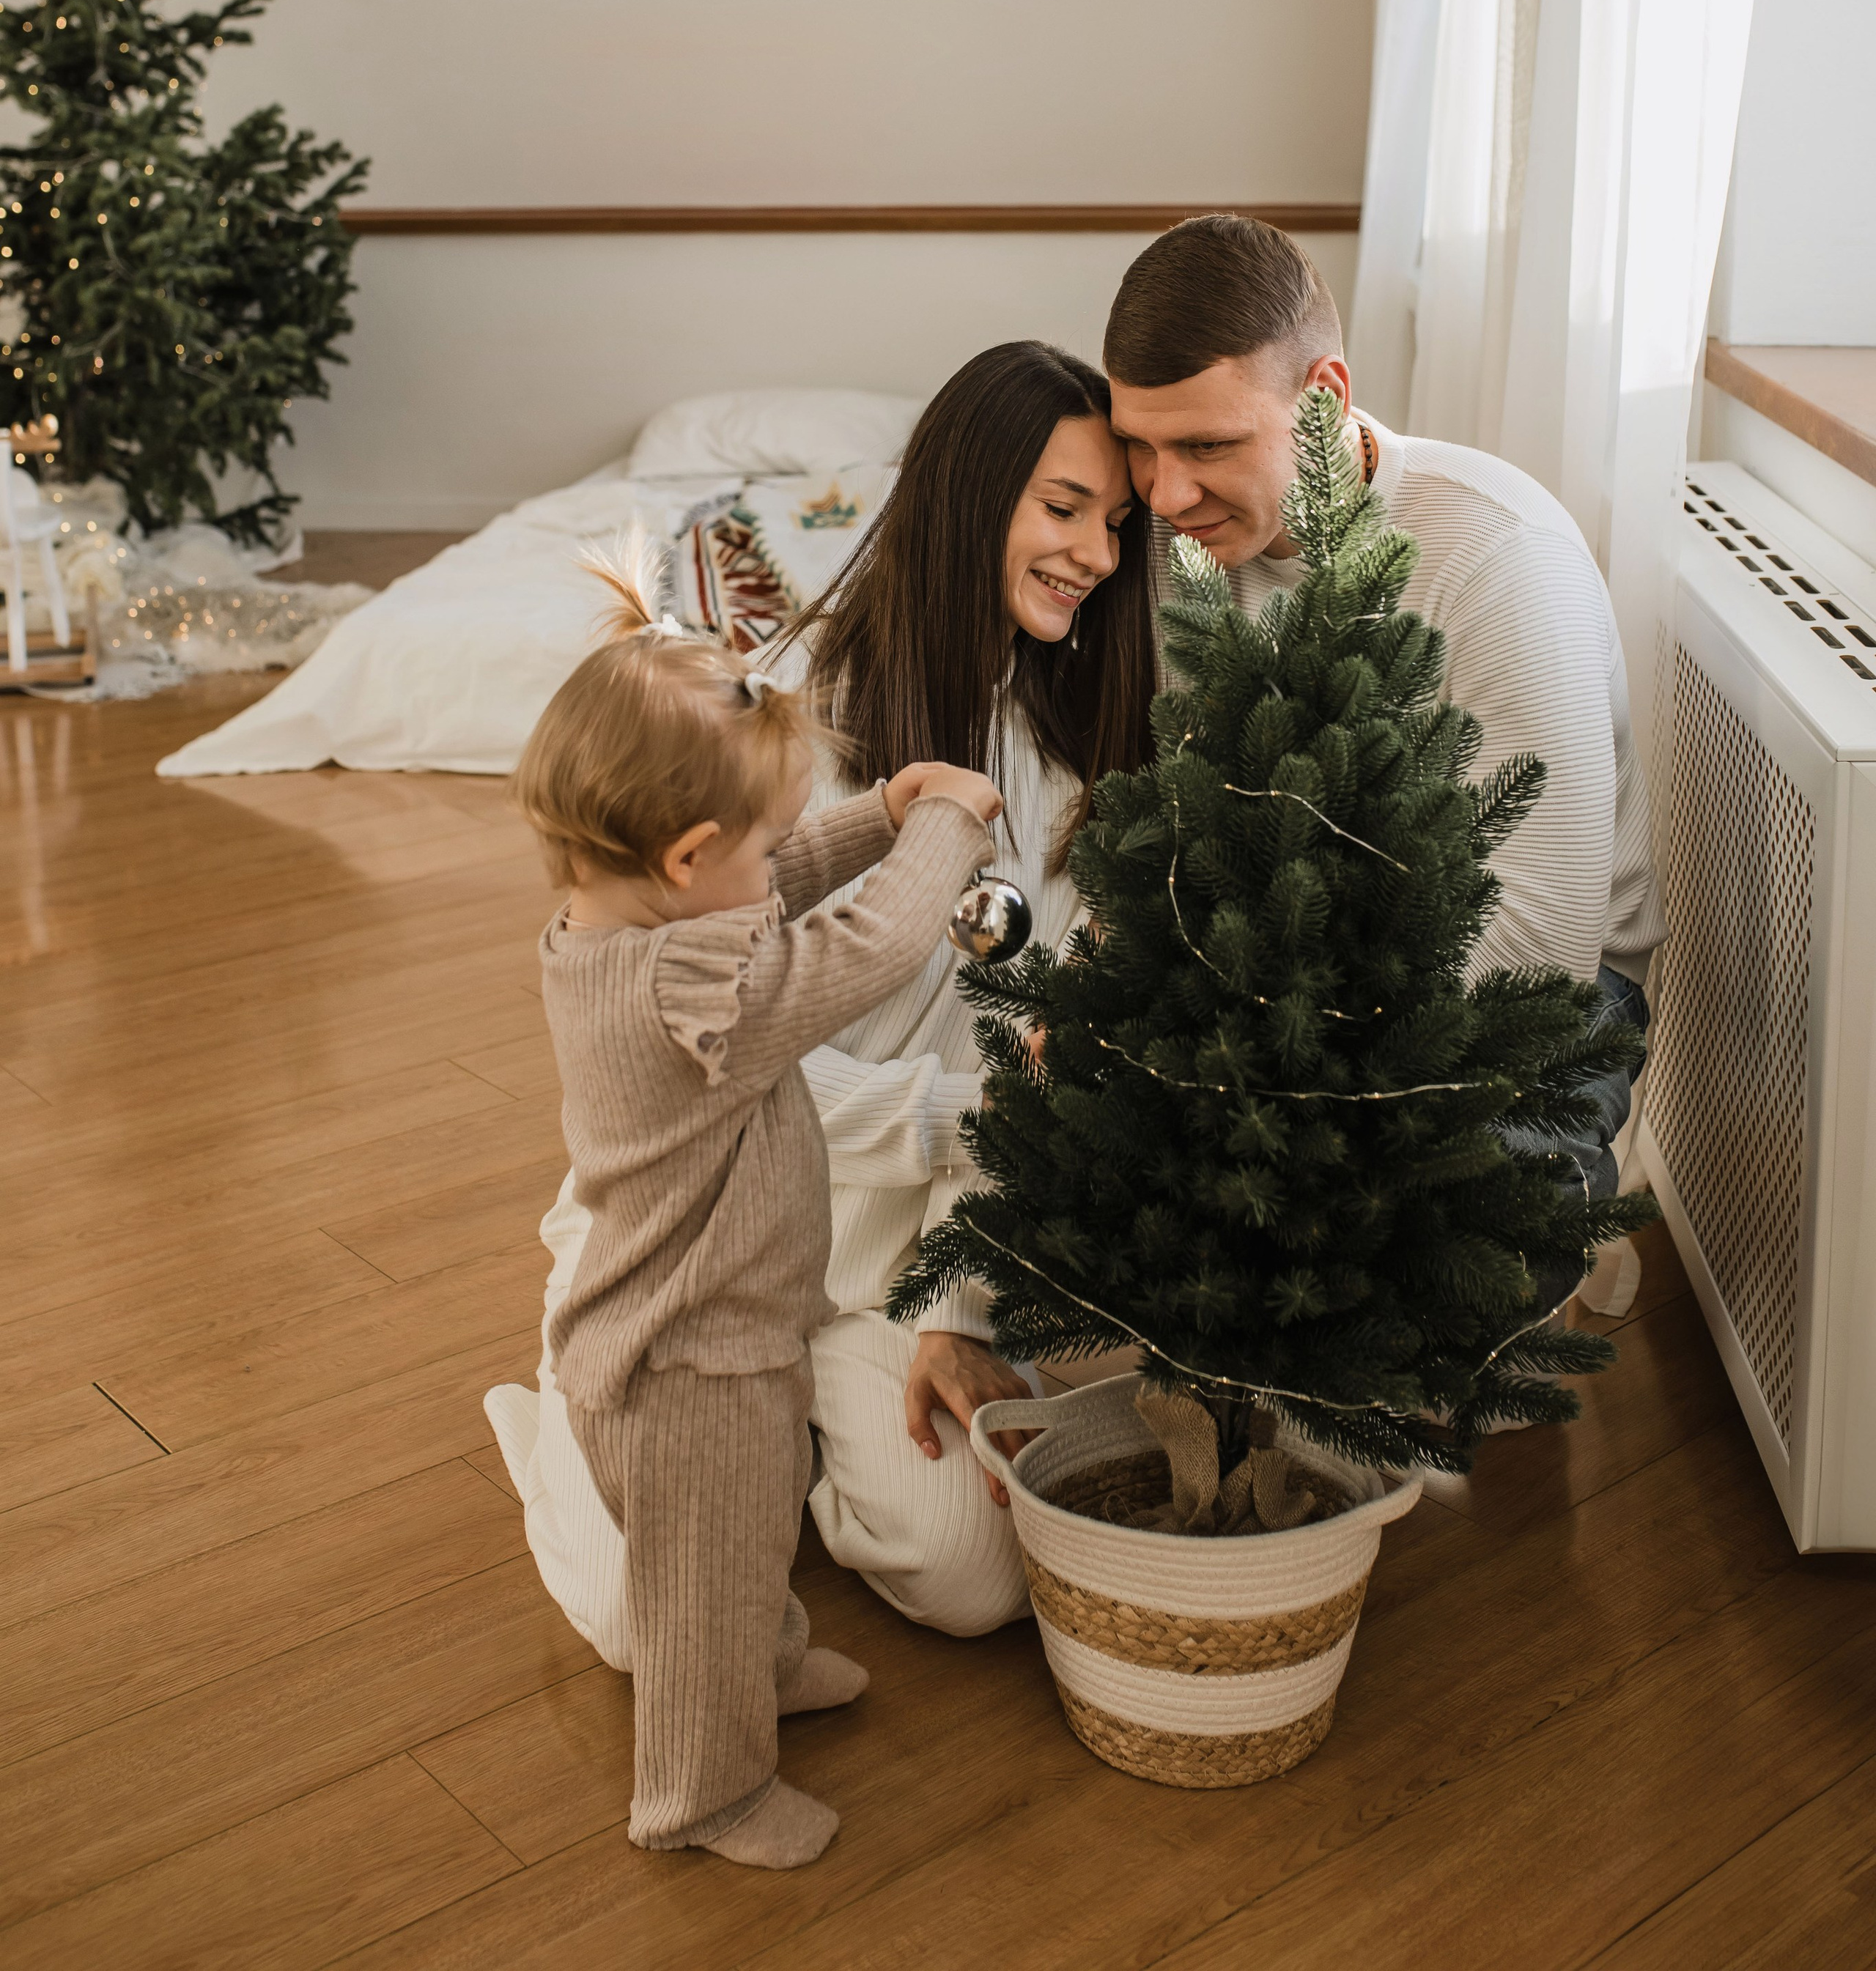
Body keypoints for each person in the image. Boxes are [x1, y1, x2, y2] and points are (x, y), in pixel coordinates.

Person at [486, 341, 1155, 1650]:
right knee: (641, 1630)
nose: (1096, 554)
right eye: (1064, 508)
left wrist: (951, 1311)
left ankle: (790, 1435)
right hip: (692, 1259)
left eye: (1115, 525)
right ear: (969, 498)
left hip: (874, 1269)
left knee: (970, 1581)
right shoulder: (785, 742)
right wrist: (971, 1116)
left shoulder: (1071, 770)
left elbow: (1035, 1056)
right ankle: (579, 1390)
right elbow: (736, 1067)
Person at [511, 544, 1002, 1868]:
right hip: (687, 1359)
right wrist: (948, 820)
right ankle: (705, 1790)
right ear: (683, 856)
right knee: (706, 1585)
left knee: (745, 1541)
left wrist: (870, 817)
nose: (785, 861)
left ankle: (764, 1662)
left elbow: (765, 890)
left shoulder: (623, 926)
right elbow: (872, 946)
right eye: (774, 838)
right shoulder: (696, 995)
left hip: (727, 1332)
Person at [1102, 214, 1665, 1290]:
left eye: (1208, 446)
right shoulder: (1178, 547)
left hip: (1546, 999)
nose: (1166, 495)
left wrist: (1283, 1058)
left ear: (1323, 399)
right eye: (1143, 444)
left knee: (1416, 1265)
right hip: (1269, 973)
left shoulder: (1501, 556)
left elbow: (1539, 945)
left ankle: (1568, 1201)